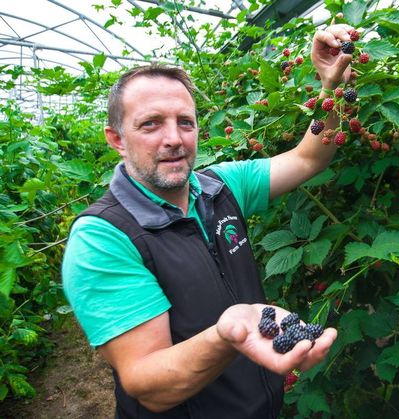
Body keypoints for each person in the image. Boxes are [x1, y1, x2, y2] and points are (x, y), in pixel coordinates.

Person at [62, 24, 354, 418]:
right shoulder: (103, 237)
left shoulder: (220, 187)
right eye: (151, 124)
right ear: (116, 139)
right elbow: (148, 385)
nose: (174, 138)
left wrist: (331, 87)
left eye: (186, 121)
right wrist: (226, 335)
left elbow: (308, 158)